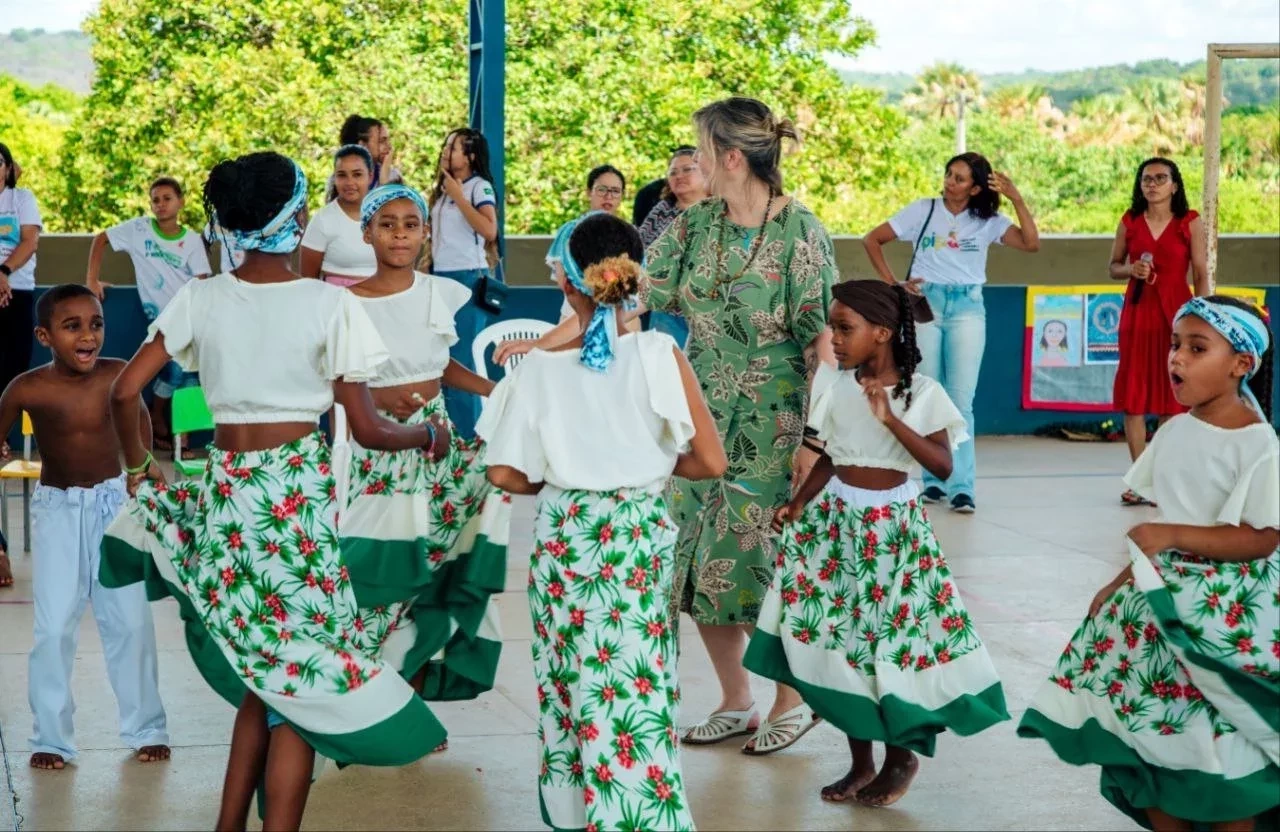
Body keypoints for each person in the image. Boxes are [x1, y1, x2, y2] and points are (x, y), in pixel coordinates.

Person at [97, 152, 451, 832]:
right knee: (300, 681)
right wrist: (428, 436)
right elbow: (371, 430)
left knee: (266, 678)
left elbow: (123, 391)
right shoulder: (330, 304)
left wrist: (139, 465)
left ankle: (229, 825)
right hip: (294, 508)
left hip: (228, 499)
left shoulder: (201, 296)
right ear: (294, 218)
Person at [476, 211, 727, 832]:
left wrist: (562, 473)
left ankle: (578, 811)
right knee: (635, 683)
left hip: (568, 537)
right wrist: (647, 466)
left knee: (572, 683)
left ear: (567, 283)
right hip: (636, 536)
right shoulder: (660, 353)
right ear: (633, 276)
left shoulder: (538, 369)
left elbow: (505, 474)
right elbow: (711, 461)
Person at [1018, 294, 1278, 832]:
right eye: (1175, 345)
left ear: (1240, 364)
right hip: (1158, 602)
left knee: (1223, 746)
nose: (1176, 357)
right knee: (1152, 734)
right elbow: (1160, 524)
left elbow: (1262, 538)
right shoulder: (1176, 430)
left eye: (1197, 348)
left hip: (1224, 614)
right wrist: (1119, 581)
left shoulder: (1258, 444)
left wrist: (1175, 535)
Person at [744, 280, 1008, 806]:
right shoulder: (838, 385)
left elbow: (942, 464)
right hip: (838, 527)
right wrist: (799, 502)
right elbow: (832, 454)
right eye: (833, 328)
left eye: (845, 329)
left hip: (892, 535)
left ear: (883, 332)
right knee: (844, 646)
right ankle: (861, 763)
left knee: (887, 646)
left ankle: (900, 758)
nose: (835, 339)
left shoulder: (921, 393)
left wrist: (890, 418)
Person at [641, 96, 837, 756]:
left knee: (755, 563)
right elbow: (638, 288)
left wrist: (814, 440)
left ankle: (793, 695)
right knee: (696, 562)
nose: (692, 162)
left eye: (701, 150)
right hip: (698, 416)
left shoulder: (800, 231)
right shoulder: (697, 224)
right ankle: (736, 699)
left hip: (773, 424)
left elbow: (823, 344)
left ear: (730, 158)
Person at [341, 184, 509, 741]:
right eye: (387, 224)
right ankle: (366, 700)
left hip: (438, 446)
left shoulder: (439, 293)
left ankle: (410, 703)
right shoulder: (346, 304)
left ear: (426, 233)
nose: (400, 235)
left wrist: (495, 390)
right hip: (381, 449)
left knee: (435, 572)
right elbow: (337, 382)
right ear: (366, 232)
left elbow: (440, 366)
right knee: (389, 570)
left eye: (411, 224)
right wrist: (378, 403)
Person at [0, 284, 170, 771]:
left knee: (130, 622)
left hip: (114, 506)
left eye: (96, 324)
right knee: (54, 627)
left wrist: (141, 474)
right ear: (44, 336)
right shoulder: (26, 388)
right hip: (57, 510)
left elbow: (139, 424)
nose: (88, 336)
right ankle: (51, 737)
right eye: (72, 326)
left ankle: (148, 727)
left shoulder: (118, 376)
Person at [863, 152, 1040, 514]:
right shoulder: (923, 209)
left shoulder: (988, 221)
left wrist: (1016, 198)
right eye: (948, 174)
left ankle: (962, 486)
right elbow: (872, 239)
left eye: (959, 178)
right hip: (925, 303)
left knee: (961, 400)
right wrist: (894, 284)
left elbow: (1031, 243)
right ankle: (933, 479)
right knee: (928, 393)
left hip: (968, 308)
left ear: (975, 188)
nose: (949, 182)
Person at [86, 176, 211, 458]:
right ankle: (161, 421)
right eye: (155, 199)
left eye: (167, 198)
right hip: (160, 321)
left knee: (188, 377)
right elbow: (101, 239)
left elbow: (202, 281)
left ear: (181, 202)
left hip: (188, 319)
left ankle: (180, 439)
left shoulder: (192, 241)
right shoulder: (138, 230)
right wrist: (92, 281)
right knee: (174, 373)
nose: (161, 204)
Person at [1108, 157, 1209, 507]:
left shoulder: (1189, 221)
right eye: (1146, 179)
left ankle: (1162, 477)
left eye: (1160, 178)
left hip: (1177, 316)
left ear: (1174, 185)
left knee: (1172, 393)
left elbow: (1200, 271)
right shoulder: (1130, 221)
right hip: (1138, 314)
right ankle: (1140, 479)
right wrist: (1130, 270)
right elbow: (1113, 266)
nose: (1152, 184)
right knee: (1134, 394)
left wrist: (1204, 315)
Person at [425, 128, 500, 441]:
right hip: (439, 278)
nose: (446, 152)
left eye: (453, 148)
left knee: (462, 360)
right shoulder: (443, 189)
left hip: (467, 278)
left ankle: (469, 437)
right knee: (440, 358)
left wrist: (458, 196)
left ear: (470, 156)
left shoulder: (478, 187)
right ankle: (445, 433)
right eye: (446, 146)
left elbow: (489, 230)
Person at [0, 142, 42, 443]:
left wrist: (3, 273)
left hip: (18, 289)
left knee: (15, 365)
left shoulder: (22, 198)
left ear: (7, 168)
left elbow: (29, 241)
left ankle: (2, 435)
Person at [301, 145, 377, 287]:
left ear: (370, 177)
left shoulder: (385, 216)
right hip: (335, 299)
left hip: (382, 299)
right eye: (342, 175)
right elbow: (308, 281)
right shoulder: (323, 220)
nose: (349, 182)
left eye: (357, 174)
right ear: (334, 178)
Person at [327, 115, 402, 197]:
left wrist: (385, 179)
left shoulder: (393, 176)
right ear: (363, 145)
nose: (389, 147)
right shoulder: (339, 180)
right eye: (382, 141)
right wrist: (383, 184)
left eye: (388, 140)